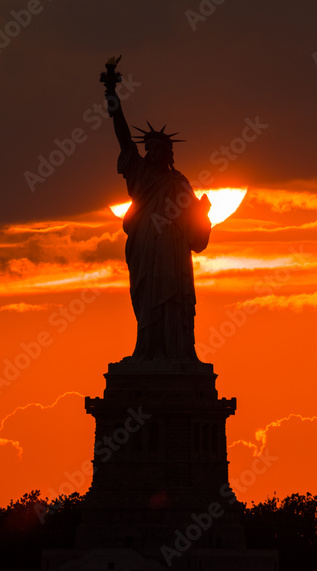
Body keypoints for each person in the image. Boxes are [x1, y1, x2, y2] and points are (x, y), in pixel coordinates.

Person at [103, 58, 212, 362]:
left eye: (157, 148)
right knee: (148, 298)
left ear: (169, 153)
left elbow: (195, 230)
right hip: (144, 248)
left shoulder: (179, 183)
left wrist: (203, 213)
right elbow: (123, 136)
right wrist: (111, 93)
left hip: (173, 251)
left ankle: (178, 354)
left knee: (174, 298)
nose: (150, 152)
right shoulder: (139, 174)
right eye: (147, 148)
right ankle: (147, 352)